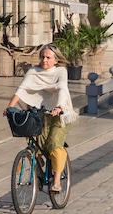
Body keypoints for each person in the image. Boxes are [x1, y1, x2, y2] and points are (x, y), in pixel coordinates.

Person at [4, 43, 77, 193]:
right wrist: (9, 107)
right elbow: (21, 89)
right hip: (41, 113)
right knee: (33, 139)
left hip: (59, 114)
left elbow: (62, 88)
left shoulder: (60, 71)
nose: (44, 60)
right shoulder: (33, 71)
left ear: (56, 60)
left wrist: (59, 107)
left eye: (48, 57)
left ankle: (56, 181)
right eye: (42, 57)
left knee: (54, 145)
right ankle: (38, 160)